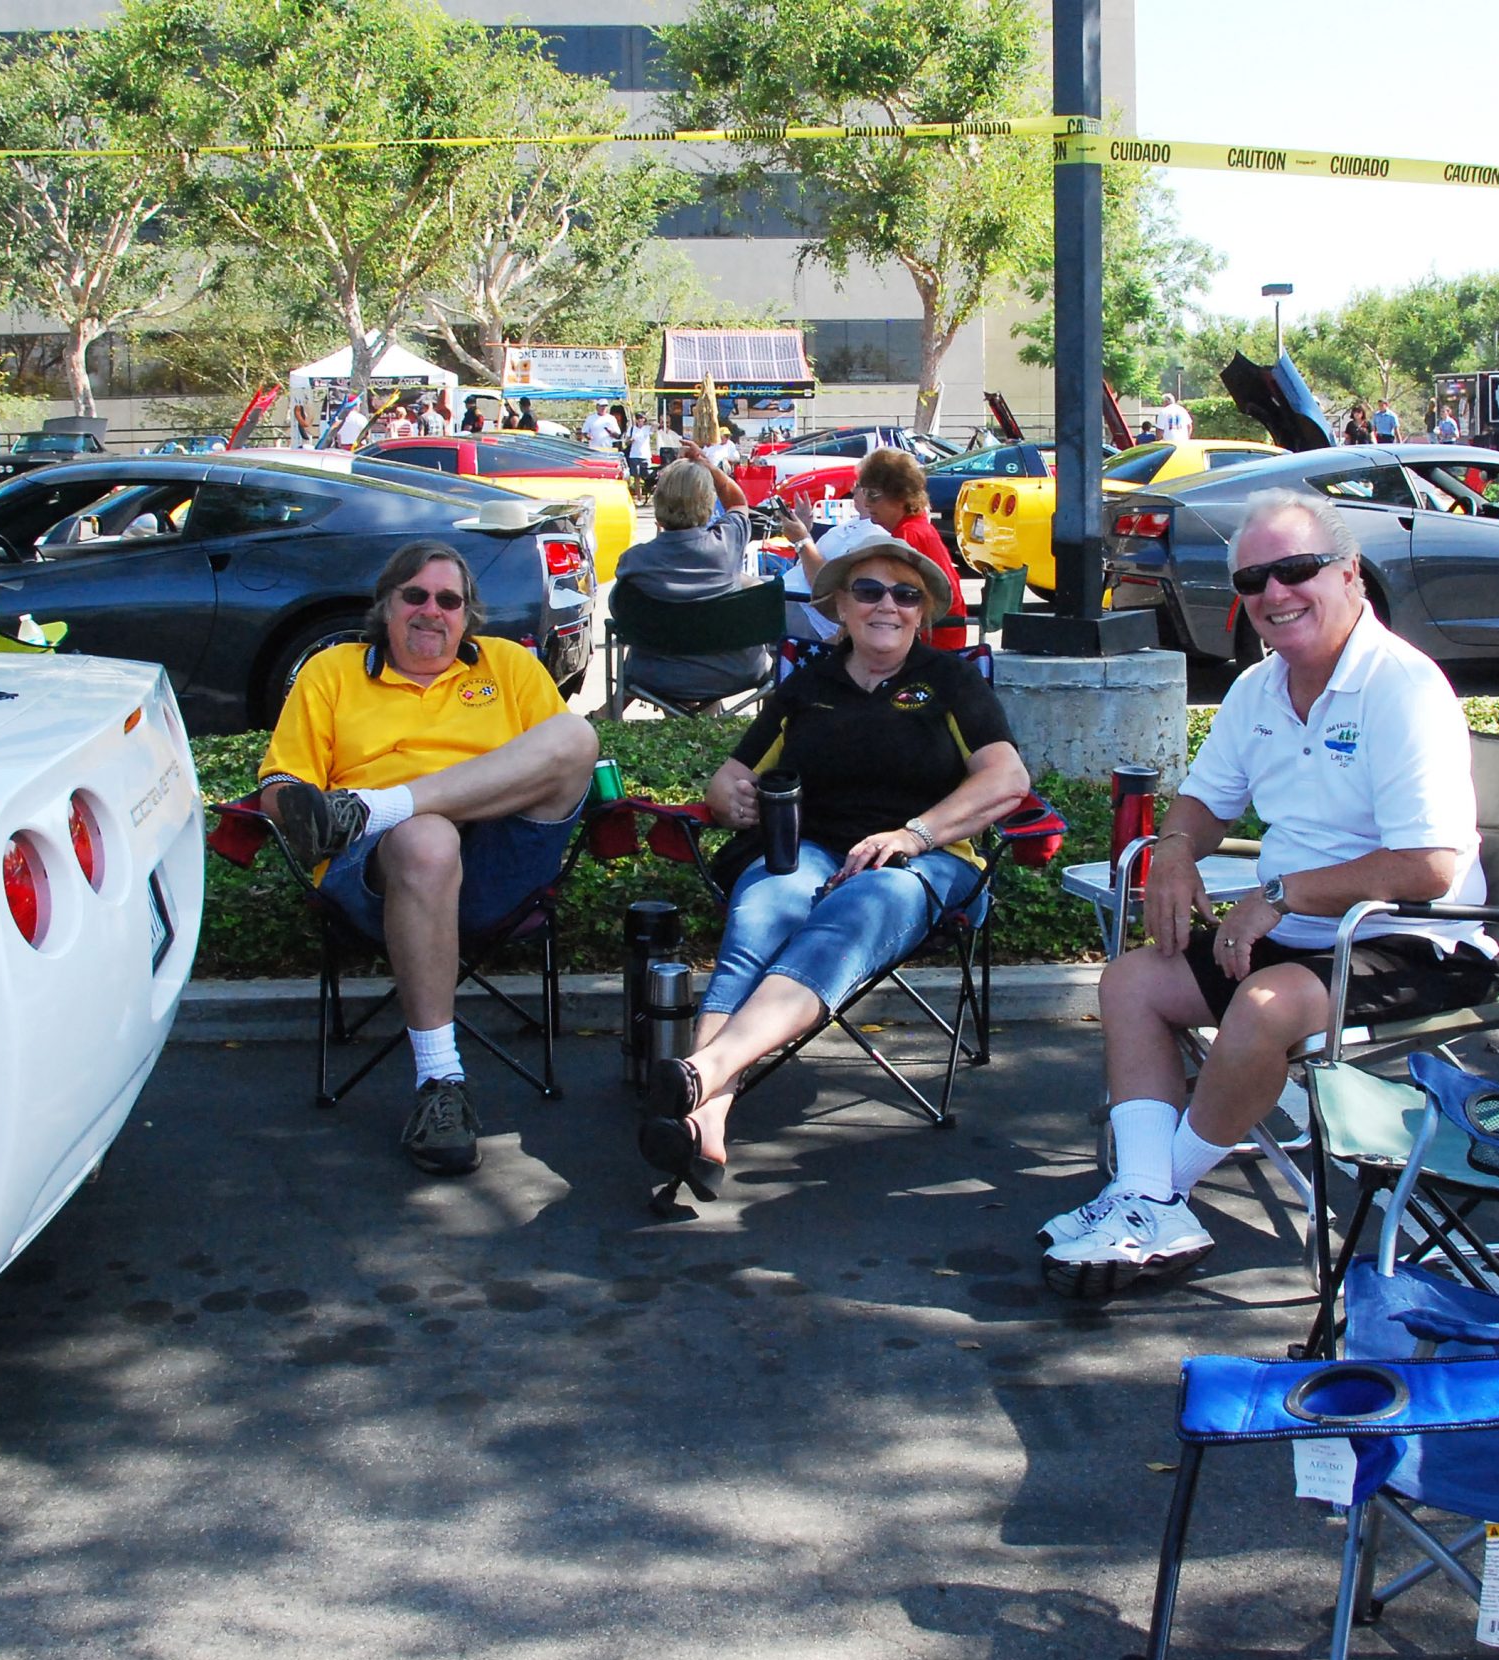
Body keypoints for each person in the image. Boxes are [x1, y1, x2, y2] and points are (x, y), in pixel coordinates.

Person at [1037, 488, 1499, 1293]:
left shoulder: (1402, 688)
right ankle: (1148, 1200)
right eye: (1254, 581)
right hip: (1300, 931)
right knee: (1132, 981)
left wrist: (1280, 893)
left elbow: (1429, 866)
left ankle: (1156, 1192)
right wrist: (1178, 851)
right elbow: (1204, 804)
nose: (1274, 595)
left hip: (1419, 935)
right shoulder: (1260, 688)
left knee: (1261, 1008)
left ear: (1350, 574)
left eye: (1295, 569)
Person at [636, 536, 1031, 1199]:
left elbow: (1008, 778)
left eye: (906, 595)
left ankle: (703, 1071)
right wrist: (725, 796)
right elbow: (731, 774)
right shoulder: (807, 686)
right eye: (869, 590)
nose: (888, 605)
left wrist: (915, 833)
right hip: (808, 849)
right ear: (840, 604)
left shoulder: (949, 681)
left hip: (924, 861)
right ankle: (707, 1115)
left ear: (921, 612)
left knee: (850, 915)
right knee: (759, 915)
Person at [258, 542, 599, 1177]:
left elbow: (566, 763)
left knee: (577, 735)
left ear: (468, 615)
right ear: (386, 606)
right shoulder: (331, 672)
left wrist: (383, 803)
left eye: (450, 600)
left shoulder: (509, 666)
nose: (432, 611)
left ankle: (376, 805)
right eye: (415, 595)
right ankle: (440, 1082)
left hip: (500, 866)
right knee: (427, 839)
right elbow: (281, 789)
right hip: (381, 876)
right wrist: (303, 808)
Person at [613, 442, 768, 707]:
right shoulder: (727, 542)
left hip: (657, 675)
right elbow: (738, 501)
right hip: (735, 672)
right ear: (708, 503)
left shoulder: (634, 560)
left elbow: (619, 612)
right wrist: (707, 464)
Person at [780, 446, 967, 652]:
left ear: (901, 496)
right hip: (918, 635)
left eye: (874, 495)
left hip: (927, 643)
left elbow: (892, 604)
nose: (867, 503)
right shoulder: (914, 528)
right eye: (864, 492)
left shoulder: (908, 536)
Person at [625, 413, 658, 488]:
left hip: (645, 455)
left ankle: (647, 490)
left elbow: (656, 425)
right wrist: (631, 440)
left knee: (648, 475)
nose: (640, 420)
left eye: (642, 418)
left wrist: (648, 420)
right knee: (637, 477)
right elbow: (626, 442)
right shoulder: (631, 429)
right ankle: (639, 497)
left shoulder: (647, 428)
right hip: (634, 455)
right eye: (638, 418)